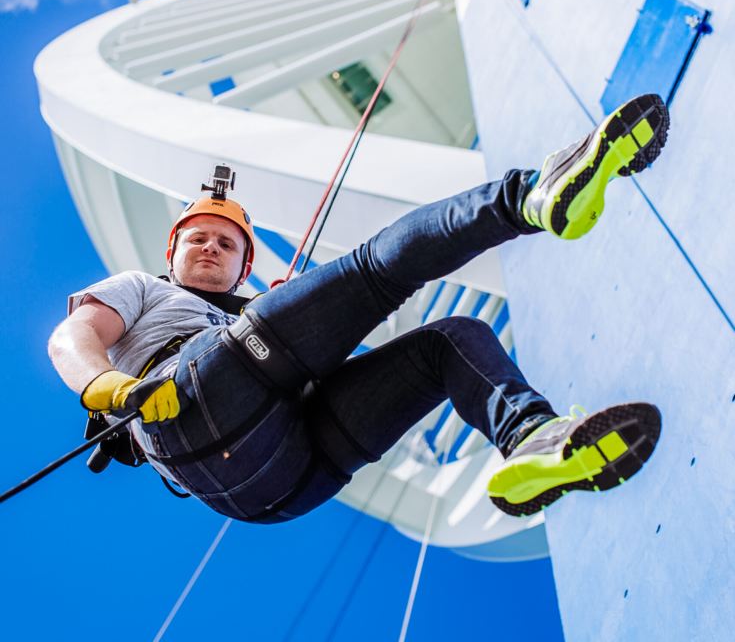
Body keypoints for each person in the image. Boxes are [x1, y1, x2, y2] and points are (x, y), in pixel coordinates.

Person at [49, 93, 668, 523]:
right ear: (171, 251)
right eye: (198, 239)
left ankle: (532, 439)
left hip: (283, 485)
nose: (211, 246)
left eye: (228, 243)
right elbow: (71, 336)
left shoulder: (244, 314)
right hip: (187, 397)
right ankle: (529, 197)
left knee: (447, 342)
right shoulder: (143, 287)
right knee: (376, 273)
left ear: (244, 267)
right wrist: (107, 385)